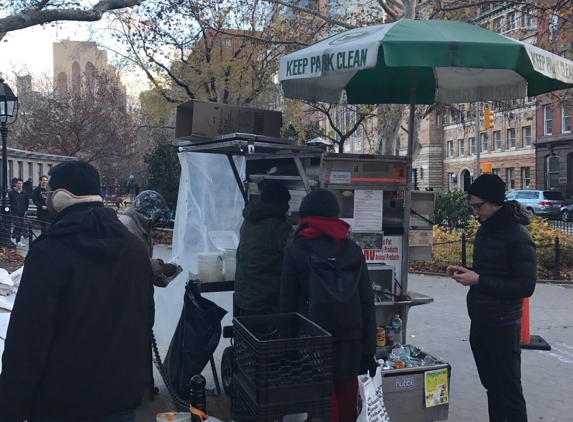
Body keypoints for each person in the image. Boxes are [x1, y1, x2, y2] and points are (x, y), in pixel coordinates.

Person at [0, 161, 154, 422]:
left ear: (60, 199)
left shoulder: (49, 254)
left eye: (49, 194)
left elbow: (27, 343)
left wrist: (9, 409)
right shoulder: (135, 249)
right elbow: (144, 321)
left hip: (61, 405)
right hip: (121, 401)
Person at [280, 188, 376, 422]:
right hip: (351, 338)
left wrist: (288, 347)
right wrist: (369, 349)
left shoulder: (296, 249)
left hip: (313, 340)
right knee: (347, 399)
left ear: (305, 216)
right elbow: (367, 300)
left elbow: (287, 303)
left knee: (323, 400)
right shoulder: (352, 249)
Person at [446, 174, 536, 422]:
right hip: (481, 319)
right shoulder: (486, 230)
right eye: (472, 206)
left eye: (479, 206)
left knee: (509, 391)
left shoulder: (518, 236)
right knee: (492, 388)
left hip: (504, 325)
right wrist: (465, 272)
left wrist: (479, 280)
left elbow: (525, 286)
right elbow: (487, 272)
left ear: (496, 202)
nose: (475, 212)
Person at [234, 181, 293, 316]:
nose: (287, 207)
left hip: (245, 297)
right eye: (285, 203)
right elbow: (297, 256)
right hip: (266, 301)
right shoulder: (278, 229)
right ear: (275, 205)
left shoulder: (249, 221)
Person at [119, 190, 181, 287]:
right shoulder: (129, 228)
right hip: (127, 291)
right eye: (158, 216)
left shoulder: (141, 227)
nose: (159, 220)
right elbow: (135, 261)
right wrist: (162, 268)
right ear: (149, 212)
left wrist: (157, 277)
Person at [8, 178, 29, 247]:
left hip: (22, 211)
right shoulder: (11, 193)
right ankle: (13, 237)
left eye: (21, 183)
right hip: (15, 212)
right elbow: (9, 202)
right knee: (18, 225)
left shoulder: (24, 193)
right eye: (18, 183)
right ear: (15, 184)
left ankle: (18, 240)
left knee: (20, 226)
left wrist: (25, 209)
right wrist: (13, 208)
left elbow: (26, 202)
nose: (20, 185)